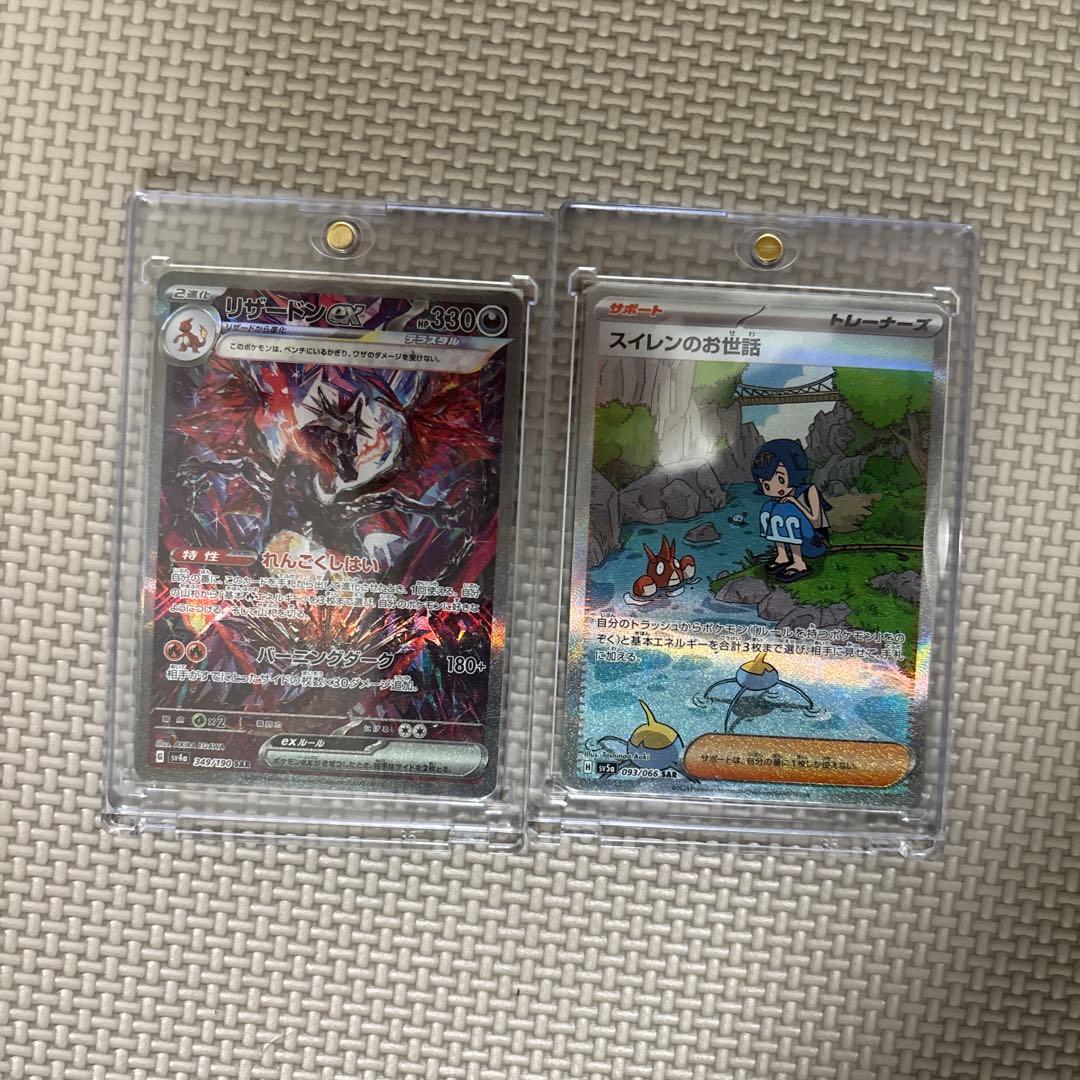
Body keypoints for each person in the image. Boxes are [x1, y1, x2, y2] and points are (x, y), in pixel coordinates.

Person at [750, 439, 830, 581]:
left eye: (780, 479)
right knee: (768, 507)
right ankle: (782, 556)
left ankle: (799, 564)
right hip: (789, 543)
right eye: (767, 485)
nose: (776, 489)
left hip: (814, 543)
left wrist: (795, 503)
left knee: (786, 509)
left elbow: (816, 523)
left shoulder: (809, 491)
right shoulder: (776, 500)